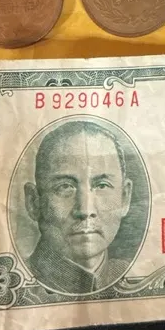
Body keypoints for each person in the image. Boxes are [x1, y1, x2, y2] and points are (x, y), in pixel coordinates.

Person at [24, 119, 133, 294]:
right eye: (65, 186)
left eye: (102, 185)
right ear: (33, 202)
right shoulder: (11, 281)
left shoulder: (134, 274)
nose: (85, 210)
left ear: (125, 197)